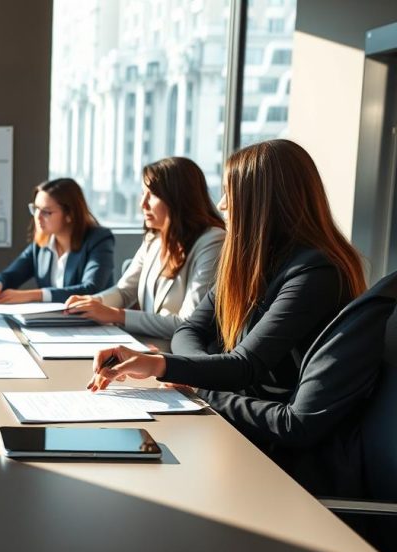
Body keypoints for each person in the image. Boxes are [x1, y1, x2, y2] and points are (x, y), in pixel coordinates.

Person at [89, 139, 366, 406]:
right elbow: (189, 329)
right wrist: (190, 370)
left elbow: (246, 365)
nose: (221, 204)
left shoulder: (314, 273)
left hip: (266, 422)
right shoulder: (254, 263)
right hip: (237, 407)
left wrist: (173, 369)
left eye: (229, 193)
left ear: (261, 203)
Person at [65, 157, 225, 341]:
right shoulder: (154, 239)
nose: (142, 204)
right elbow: (124, 291)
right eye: (143, 193)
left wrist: (116, 315)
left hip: (180, 352)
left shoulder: (212, 241)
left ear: (178, 198)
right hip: (149, 345)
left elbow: (188, 323)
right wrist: (93, 302)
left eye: (152, 195)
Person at [0, 178, 114, 304]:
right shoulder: (41, 244)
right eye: (36, 209)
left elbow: (91, 289)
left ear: (70, 214)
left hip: (91, 322)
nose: (37, 217)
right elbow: (12, 274)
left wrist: (36, 295)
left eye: (46, 212)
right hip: (52, 321)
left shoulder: (99, 239)